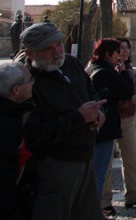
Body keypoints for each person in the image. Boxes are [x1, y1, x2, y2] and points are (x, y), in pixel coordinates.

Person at [21, 21, 106, 220]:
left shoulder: (70, 63)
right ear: (30, 54)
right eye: (47, 48)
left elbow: (89, 90)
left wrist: (97, 112)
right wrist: (79, 118)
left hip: (84, 157)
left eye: (58, 44)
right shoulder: (25, 81)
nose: (57, 51)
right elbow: (34, 134)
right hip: (54, 165)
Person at [101, 38, 136, 214]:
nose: (124, 51)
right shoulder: (110, 69)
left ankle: (132, 196)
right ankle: (105, 201)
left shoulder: (129, 70)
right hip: (111, 120)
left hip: (129, 119)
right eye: (120, 49)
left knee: (131, 159)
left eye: (126, 48)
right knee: (107, 163)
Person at [86, 38, 136, 214]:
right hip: (105, 129)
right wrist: (122, 72)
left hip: (95, 127)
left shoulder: (90, 68)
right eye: (116, 52)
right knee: (99, 172)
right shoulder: (107, 72)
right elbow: (127, 92)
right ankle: (95, 213)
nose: (119, 56)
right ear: (108, 54)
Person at [1, 62, 36, 219]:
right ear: (16, 90)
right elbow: (7, 173)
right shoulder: (5, 123)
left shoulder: (14, 113)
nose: (32, 84)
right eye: (29, 81)